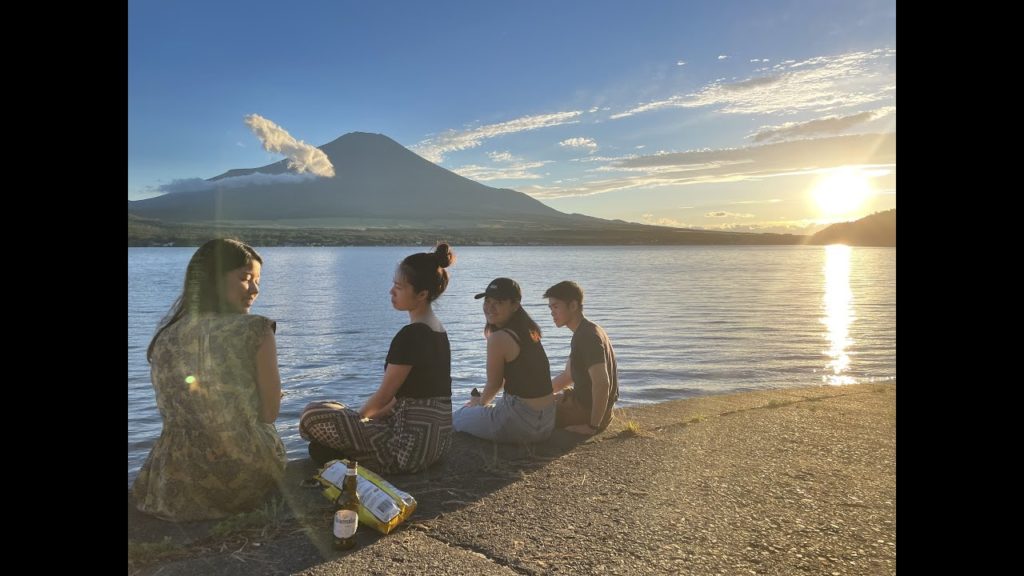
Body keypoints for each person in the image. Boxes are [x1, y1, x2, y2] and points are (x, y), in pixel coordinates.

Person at [132, 238, 287, 521]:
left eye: (257, 281)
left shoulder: (166, 335)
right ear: (214, 280)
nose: (255, 290)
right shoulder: (256, 330)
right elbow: (270, 413)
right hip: (239, 474)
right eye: (245, 279)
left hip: (170, 479)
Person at [300, 244, 456, 473]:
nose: (391, 292)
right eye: (393, 285)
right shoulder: (439, 331)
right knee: (334, 417)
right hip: (437, 443)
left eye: (399, 287)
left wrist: (358, 420)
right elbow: (408, 396)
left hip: (407, 450)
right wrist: (363, 420)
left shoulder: (411, 335)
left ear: (422, 294)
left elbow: (385, 396)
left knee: (312, 414)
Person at [453, 278, 555, 443]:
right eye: (487, 301)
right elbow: (504, 381)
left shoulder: (499, 338)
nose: (490, 307)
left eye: (498, 302)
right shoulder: (530, 331)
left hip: (521, 423)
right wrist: (481, 402)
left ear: (515, 305)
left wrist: (478, 405)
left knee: (457, 417)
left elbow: (495, 383)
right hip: (546, 422)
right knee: (478, 407)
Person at [544, 280, 619, 436]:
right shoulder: (587, 330)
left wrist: (592, 426)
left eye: (556, 306)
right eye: (550, 308)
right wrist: (540, 395)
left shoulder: (587, 336)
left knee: (528, 415)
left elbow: (602, 383)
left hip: (587, 414)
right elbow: (567, 376)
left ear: (573, 306)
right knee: (537, 402)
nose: (552, 312)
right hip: (589, 407)